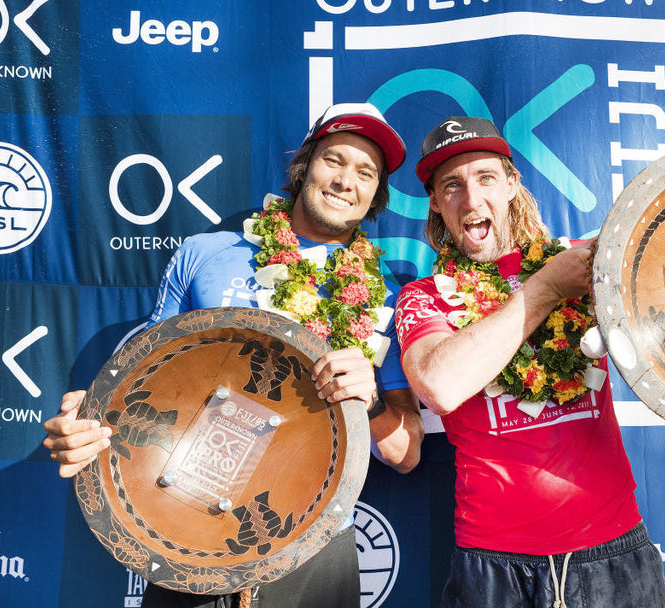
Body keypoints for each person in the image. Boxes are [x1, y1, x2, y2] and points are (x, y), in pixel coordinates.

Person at [43, 103, 424, 608]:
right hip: (185, 531)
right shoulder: (206, 253)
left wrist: (370, 401)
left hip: (312, 543)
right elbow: (144, 375)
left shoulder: (386, 295)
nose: (345, 181)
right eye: (333, 160)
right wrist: (89, 422)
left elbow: (406, 454)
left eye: (365, 172)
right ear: (305, 164)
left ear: (377, 193)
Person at [395, 117, 665, 607]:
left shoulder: (580, 263)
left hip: (612, 548)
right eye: (452, 186)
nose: (471, 197)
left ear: (511, 185)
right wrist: (545, 289)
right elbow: (440, 387)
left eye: (485, 177)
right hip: (495, 564)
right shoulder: (424, 297)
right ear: (437, 204)